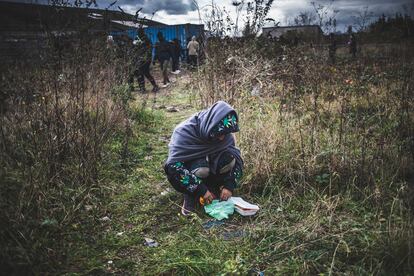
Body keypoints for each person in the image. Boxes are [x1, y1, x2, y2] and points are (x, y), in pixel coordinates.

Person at [164, 101, 243, 216]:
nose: (222, 139)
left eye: (225, 134)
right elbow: (173, 166)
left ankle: (217, 187)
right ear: (211, 125)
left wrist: (229, 185)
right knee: (201, 169)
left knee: (230, 160)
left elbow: (238, 160)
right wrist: (200, 189)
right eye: (219, 134)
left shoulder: (225, 133)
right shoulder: (183, 132)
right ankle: (191, 194)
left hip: (213, 167)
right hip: (195, 169)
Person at [129, 29, 159, 93]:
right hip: (140, 59)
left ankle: (148, 87)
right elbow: (134, 48)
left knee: (144, 73)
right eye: (138, 32)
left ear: (142, 32)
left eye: (140, 32)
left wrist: (148, 57)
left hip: (145, 59)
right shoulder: (137, 39)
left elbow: (149, 48)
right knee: (142, 73)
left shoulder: (146, 39)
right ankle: (143, 88)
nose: (139, 33)